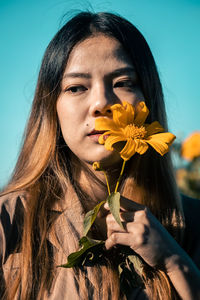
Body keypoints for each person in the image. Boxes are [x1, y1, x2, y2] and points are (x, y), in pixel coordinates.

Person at [0, 11, 200, 300]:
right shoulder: (9, 221)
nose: (101, 104)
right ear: (51, 107)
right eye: (76, 87)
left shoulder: (191, 221)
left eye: (122, 83)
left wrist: (175, 261)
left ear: (149, 98)